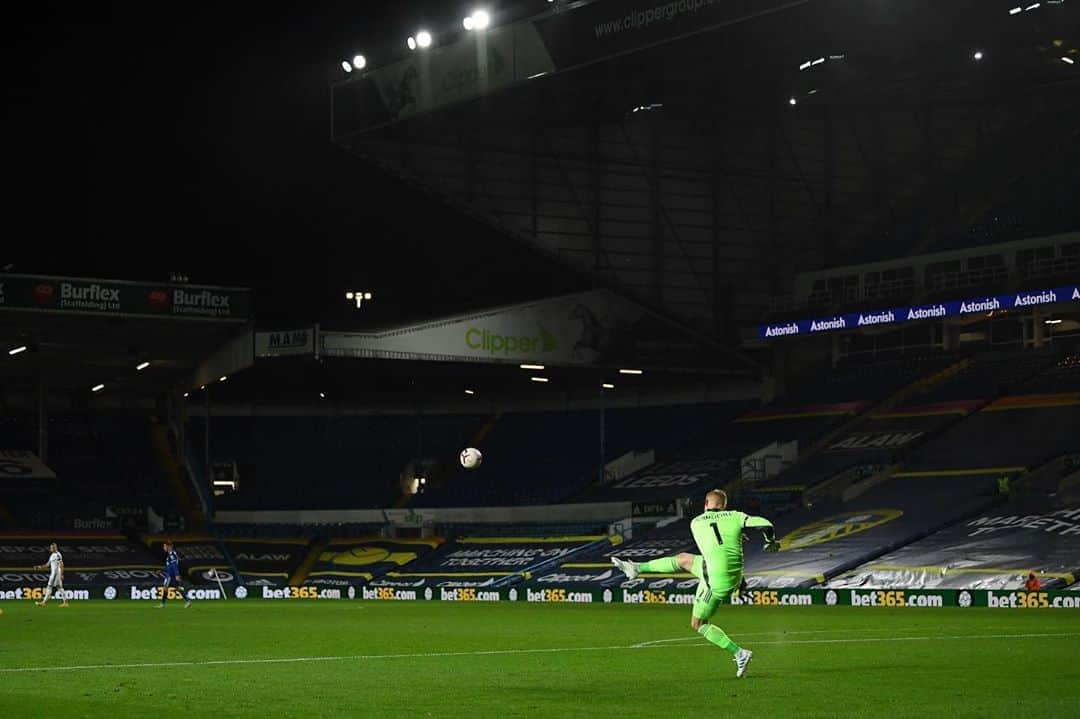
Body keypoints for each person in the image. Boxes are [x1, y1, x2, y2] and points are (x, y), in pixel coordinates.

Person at [612, 489, 778, 678]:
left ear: (706, 504)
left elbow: (714, 536)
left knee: (698, 623)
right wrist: (770, 541)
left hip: (715, 580)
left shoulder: (696, 522)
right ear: (724, 505)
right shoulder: (736, 516)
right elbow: (765, 524)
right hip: (729, 573)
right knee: (684, 559)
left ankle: (740, 653)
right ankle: (637, 568)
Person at [33, 542, 69, 608]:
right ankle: (65, 603)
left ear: (56, 548)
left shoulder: (58, 555)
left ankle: (43, 602)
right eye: (51, 548)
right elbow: (47, 565)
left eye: (52, 547)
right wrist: (39, 567)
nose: (51, 549)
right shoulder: (52, 555)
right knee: (59, 587)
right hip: (55, 573)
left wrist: (61, 574)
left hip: (56, 574)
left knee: (49, 587)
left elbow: (62, 565)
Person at [158, 541, 191, 608]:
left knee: (165, 588)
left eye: (165, 546)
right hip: (171, 574)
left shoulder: (172, 555)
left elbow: (174, 565)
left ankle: (162, 604)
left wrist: (177, 574)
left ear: (169, 546)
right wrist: (162, 570)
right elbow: (170, 566)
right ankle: (188, 601)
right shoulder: (171, 554)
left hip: (170, 575)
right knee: (178, 588)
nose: (163, 547)